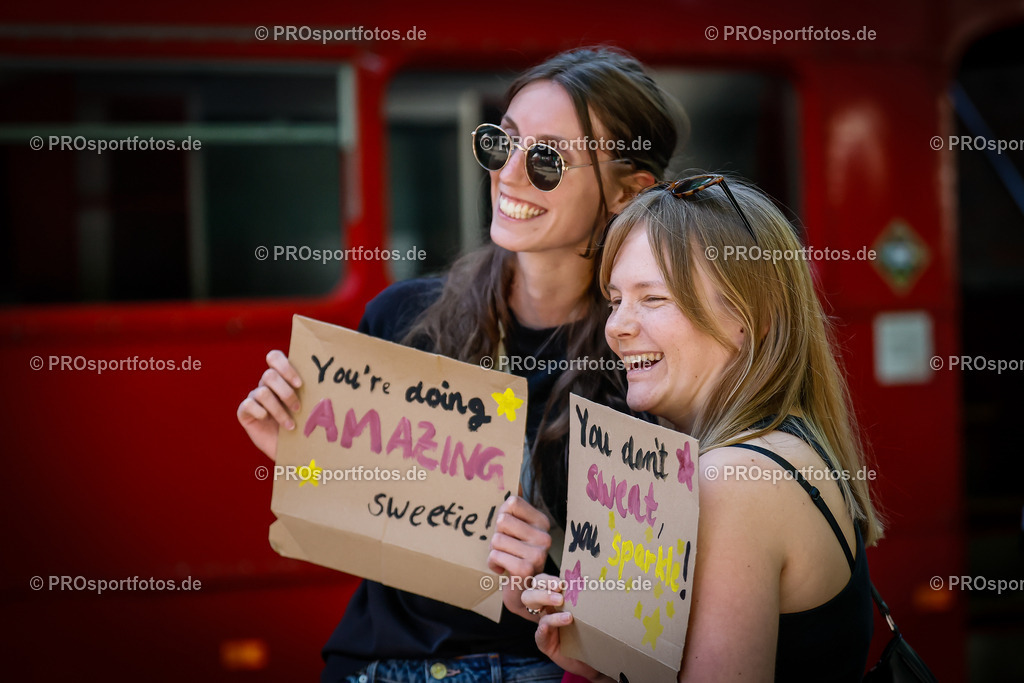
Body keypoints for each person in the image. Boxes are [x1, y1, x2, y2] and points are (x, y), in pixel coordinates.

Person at [236, 47, 688, 683]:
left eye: (548, 160)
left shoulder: (644, 362)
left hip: (533, 670)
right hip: (376, 666)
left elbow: (646, 623)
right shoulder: (402, 318)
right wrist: (301, 456)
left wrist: (553, 569)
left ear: (628, 191)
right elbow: (373, 521)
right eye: (503, 143)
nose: (509, 176)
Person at [521, 175, 885, 682]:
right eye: (614, 299)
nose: (617, 327)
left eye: (653, 299)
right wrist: (600, 663)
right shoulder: (779, 450)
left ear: (750, 316)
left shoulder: (731, 479)